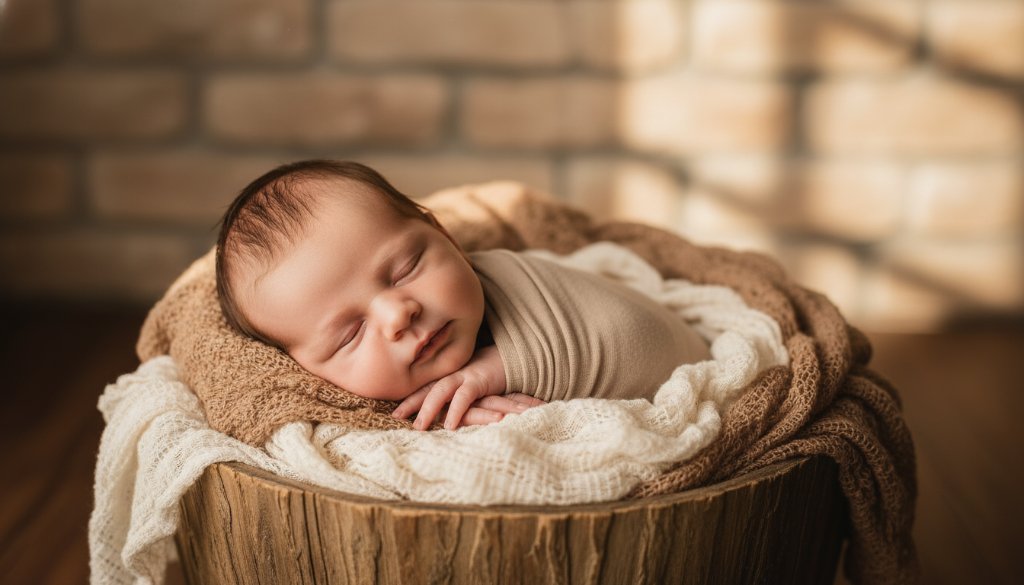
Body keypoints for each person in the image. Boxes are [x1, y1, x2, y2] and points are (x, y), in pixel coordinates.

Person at [215, 160, 711, 432]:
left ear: (446, 237)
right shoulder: (352, 420)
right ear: (306, 371)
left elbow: (661, 346)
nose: (397, 313)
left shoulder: (517, 285)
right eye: (350, 334)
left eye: (405, 268)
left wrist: (498, 368)